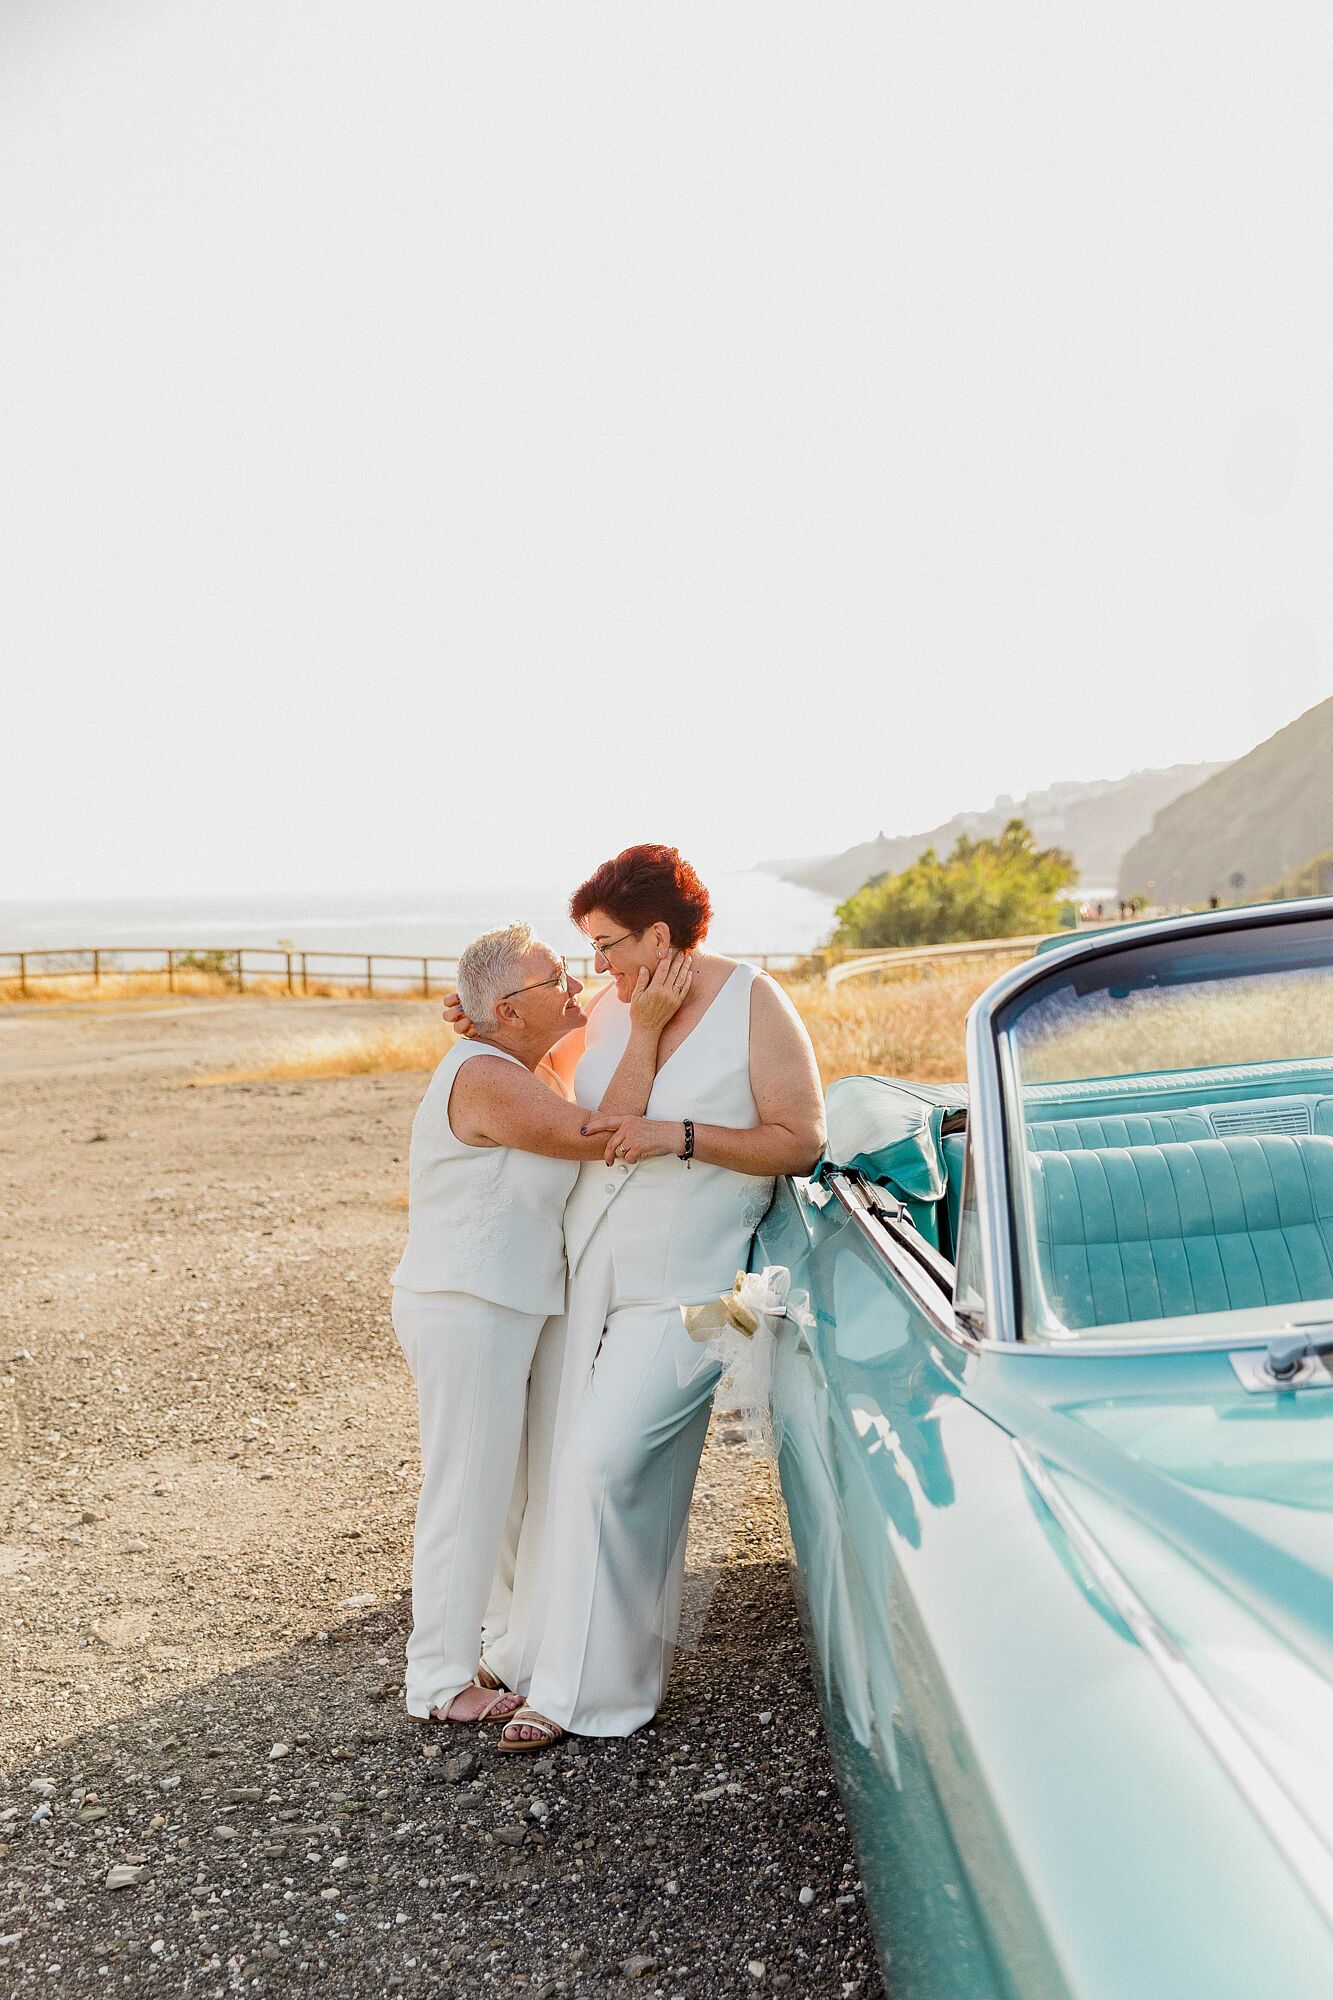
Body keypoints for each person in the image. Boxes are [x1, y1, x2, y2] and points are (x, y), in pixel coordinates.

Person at [490, 845, 826, 1749]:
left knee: (605, 1464)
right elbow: (547, 1082)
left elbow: (798, 1141)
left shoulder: (755, 1001)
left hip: (697, 1289)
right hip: (590, 1272)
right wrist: (479, 1024)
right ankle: (541, 1651)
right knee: (564, 1466)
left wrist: (679, 1136)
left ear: (661, 934)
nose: (596, 965)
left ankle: (584, 1697)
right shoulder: (608, 1007)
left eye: (607, 944)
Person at [390, 921, 691, 1725]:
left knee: (511, 1499)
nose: (574, 984)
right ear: (509, 1010)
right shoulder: (486, 1075)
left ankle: (494, 1640)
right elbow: (603, 1138)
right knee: (467, 1493)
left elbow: (585, 1008)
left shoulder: (514, 1058)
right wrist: (652, 1029)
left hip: (505, 1303)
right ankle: (436, 1684)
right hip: (467, 1305)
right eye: (554, 976)